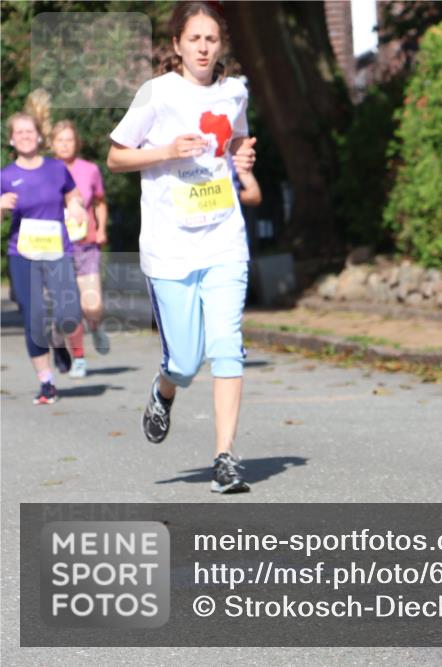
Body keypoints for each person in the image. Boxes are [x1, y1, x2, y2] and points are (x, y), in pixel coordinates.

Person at [107, 1, 257, 493]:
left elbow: (234, 141)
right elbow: (116, 157)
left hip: (224, 239)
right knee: (186, 362)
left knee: (227, 346)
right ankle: (164, 389)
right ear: (177, 45)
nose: (203, 47)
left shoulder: (234, 92)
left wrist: (242, 156)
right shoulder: (158, 95)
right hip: (170, 247)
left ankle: (225, 458)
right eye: (194, 38)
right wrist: (166, 151)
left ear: (222, 45)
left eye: (211, 39)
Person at [1, 91, 88, 404]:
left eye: (29, 131)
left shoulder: (55, 169)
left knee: (69, 313)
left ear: (39, 136)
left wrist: (77, 207)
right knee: (32, 316)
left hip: (57, 250)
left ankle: (60, 341)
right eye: (18, 133)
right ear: (12, 140)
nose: (25, 137)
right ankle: (46, 382)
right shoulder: (6, 176)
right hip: (22, 254)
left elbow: (73, 196)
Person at [51, 119, 112, 378]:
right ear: (52, 144)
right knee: (70, 306)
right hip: (56, 247)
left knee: (92, 304)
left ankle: (96, 326)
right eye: (60, 140)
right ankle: (79, 358)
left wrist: (101, 229)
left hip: (86, 244)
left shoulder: (90, 170)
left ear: (77, 143)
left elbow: (99, 202)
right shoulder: (45, 171)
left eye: (69, 139)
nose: (65, 144)